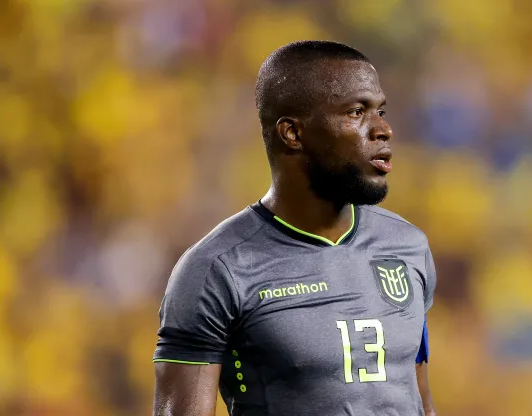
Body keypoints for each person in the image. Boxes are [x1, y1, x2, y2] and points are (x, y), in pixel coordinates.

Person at [152, 40, 438, 416]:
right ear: (293, 133)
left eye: (380, 111)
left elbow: (418, 400)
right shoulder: (216, 269)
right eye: (357, 112)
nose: (383, 129)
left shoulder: (407, 245)